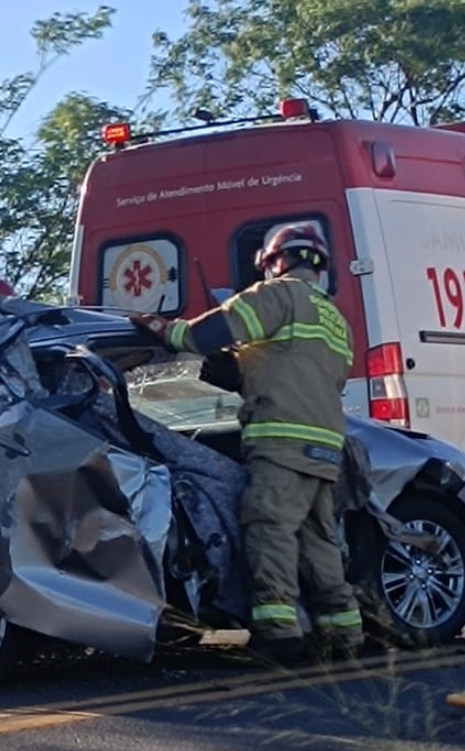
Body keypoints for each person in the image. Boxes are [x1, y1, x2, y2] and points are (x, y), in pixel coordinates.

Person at [128, 222, 363, 664]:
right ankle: (343, 635)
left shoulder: (278, 295)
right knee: (318, 542)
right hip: (325, 444)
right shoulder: (335, 319)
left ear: (275, 262)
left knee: (269, 529)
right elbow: (302, 374)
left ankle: (279, 636)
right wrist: (240, 375)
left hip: (281, 440)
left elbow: (207, 334)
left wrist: (164, 328)